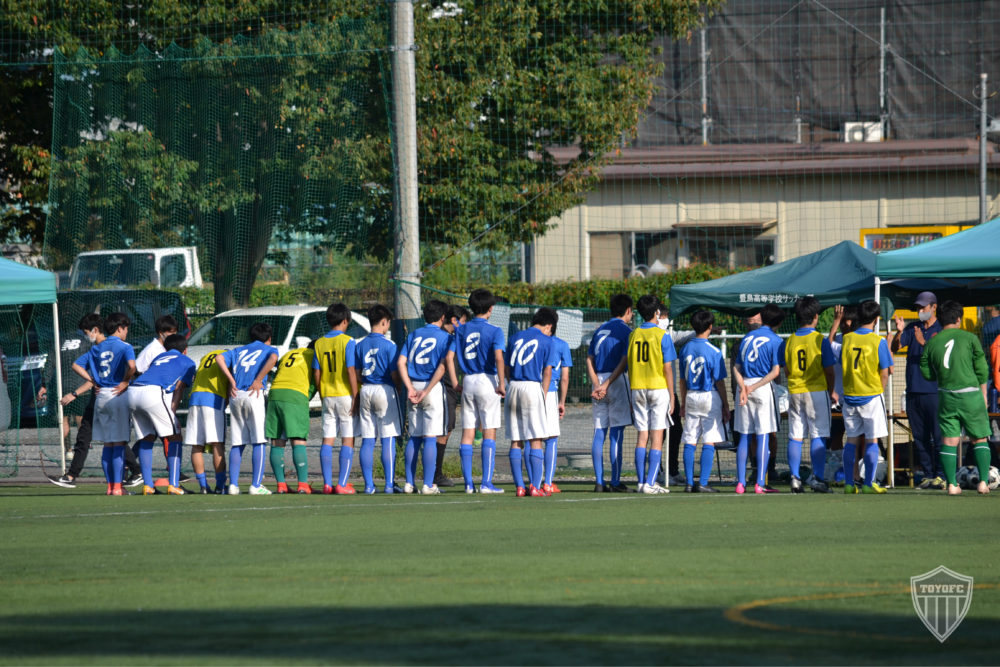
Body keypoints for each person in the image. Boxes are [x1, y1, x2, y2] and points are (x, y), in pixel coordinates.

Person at [919, 300, 992, 495]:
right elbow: (982, 368)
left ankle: (951, 485)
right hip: (971, 395)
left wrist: (937, 376)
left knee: (949, 441)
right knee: (979, 439)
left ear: (940, 319)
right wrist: (984, 393)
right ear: (958, 319)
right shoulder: (970, 338)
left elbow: (925, 371)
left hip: (946, 396)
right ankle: (984, 483)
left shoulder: (933, 341)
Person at [70, 312, 136, 495]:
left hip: (101, 397)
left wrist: (93, 380)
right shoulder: (125, 346)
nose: (127, 333)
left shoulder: (96, 348)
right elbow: (132, 366)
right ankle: (117, 487)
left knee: (108, 445)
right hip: (117, 395)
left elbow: (76, 365)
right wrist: (125, 381)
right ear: (120, 328)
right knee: (119, 444)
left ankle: (109, 487)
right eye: (126, 329)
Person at [779, 296, 837, 493]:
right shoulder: (820, 340)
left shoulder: (788, 341)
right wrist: (831, 392)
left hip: (795, 391)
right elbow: (829, 371)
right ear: (815, 317)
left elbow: (785, 369)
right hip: (817, 391)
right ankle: (818, 478)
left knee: (795, 436)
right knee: (818, 435)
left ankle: (795, 478)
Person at [397, 299, 455, 495]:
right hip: (431, 388)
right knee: (431, 437)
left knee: (414, 436)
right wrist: (427, 390)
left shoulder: (413, 334)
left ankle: (409, 483)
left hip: (413, 387)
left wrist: (410, 388)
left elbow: (401, 362)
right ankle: (428, 484)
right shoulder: (445, 337)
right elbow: (442, 366)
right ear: (442, 317)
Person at [127, 334, 196, 495]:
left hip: (133, 392)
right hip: (152, 393)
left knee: (147, 438)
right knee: (175, 436)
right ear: (185, 350)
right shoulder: (188, 362)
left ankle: (148, 486)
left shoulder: (159, 356)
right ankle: (173, 484)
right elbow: (179, 389)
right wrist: (172, 413)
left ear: (166, 348)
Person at [216, 322, 279, 495]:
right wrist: (259, 379)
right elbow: (273, 359)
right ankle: (256, 485)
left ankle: (233, 486)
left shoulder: (238, 350)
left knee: (237, 442)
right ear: (268, 338)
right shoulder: (270, 349)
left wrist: (231, 380)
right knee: (258, 441)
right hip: (254, 394)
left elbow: (219, 358)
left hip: (236, 396)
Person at [890, 291, 943, 490]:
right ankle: (929, 475)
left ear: (934, 307)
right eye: (919, 308)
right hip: (913, 391)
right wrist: (899, 331)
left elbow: (939, 356)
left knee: (938, 436)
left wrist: (923, 343)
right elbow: (895, 347)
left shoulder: (941, 329)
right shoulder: (913, 327)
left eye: (924, 307)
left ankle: (941, 474)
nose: (921, 311)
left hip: (934, 392)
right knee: (919, 437)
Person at [455, 289, 506, 494]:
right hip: (487, 380)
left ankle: (468, 484)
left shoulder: (461, 329)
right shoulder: (495, 330)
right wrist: (502, 383)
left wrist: (456, 380)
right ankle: (486, 483)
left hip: (468, 380)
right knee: (489, 431)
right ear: (490, 308)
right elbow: (499, 358)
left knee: (468, 432)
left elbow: (450, 357)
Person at [505, 307, 559, 497]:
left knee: (516, 440)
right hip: (532, 387)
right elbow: (547, 371)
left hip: (513, 386)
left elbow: (505, 367)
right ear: (549, 326)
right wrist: (543, 395)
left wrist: (509, 382)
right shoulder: (547, 340)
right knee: (535, 438)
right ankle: (535, 486)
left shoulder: (514, 337)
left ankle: (520, 486)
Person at [842, 300, 893, 494]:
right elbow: (885, 372)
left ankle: (849, 483)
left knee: (851, 441)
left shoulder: (847, 339)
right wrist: (878, 391)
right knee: (872, 440)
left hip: (850, 396)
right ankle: (868, 483)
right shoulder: (878, 341)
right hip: (871, 395)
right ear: (876, 319)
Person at [733, 303, 784, 494]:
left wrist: (744, 388)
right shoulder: (776, 340)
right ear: (778, 323)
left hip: (744, 386)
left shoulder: (747, 337)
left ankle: (740, 483)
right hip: (762, 388)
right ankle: (760, 483)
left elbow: (736, 367)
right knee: (763, 435)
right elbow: (775, 371)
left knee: (745, 436)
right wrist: (753, 387)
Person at [627, 295, 675, 495]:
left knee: (642, 435)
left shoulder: (634, 334)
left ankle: (640, 482)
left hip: (637, 386)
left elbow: (629, 363)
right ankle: (651, 482)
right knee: (657, 434)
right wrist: (672, 396)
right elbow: (668, 369)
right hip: (657, 387)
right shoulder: (663, 335)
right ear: (657, 313)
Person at [678, 309, 730, 493]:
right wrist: (726, 404)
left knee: (690, 439)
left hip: (691, 395)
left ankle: (689, 483)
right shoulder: (714, 351)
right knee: (709, 440)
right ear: (710, 327)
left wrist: (683, 402)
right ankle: (704, 482)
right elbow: (720, 382)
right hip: (709, 396)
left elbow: (682, 380)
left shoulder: (685, 349)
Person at [586, 293, 634, 492]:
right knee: (616, 433)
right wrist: (606, 384)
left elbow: (589, 358)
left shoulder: (599, 330)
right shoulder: (626, 330)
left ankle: (599, 481)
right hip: (616, 381)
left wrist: (597, 383)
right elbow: (625, 360)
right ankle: (614, 481)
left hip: (598, 381)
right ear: (628, 311)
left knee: (599, 432)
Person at [50, 314, 104, 488]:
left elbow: (131, 368)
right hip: (90, 393)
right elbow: (77, 365)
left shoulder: (106, 347)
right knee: (85, 432)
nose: (86, 334)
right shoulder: (92, 347)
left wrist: (75, 392)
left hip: (107, 397)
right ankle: (71, 475)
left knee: (111, 437)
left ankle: (135, 470)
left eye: (87, 331)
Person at [355, 304, 403, 494]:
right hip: (385, 389)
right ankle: (389, 485)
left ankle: (368, 485)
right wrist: (397, 389)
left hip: (366, 389)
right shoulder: (390, 345)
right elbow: (394, 373)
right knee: (388, 438)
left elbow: (357, 373)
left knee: (367, 439)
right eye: (388, 323)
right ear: (384, 322)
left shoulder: (360, 344)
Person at [313, 303, 360, 495]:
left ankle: (326, 484)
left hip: (328, 395)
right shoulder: (348, 341)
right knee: (348, 439)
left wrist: (321, 392)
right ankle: (341, 484)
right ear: (345, 320)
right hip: (344, 395)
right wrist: (355, 395)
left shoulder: (319, 343)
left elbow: (317, 372)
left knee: (328, 439)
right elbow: (350, 370)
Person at [266, 342, 316, 494]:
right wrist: (306, 397)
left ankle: (281, 485)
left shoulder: (289, 354)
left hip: (274, 394)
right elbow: (316, 380)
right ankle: (303, 485)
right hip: (295, 394)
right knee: (298, 440)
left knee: (277, 441)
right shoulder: (314, 356)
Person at [184, 346, 230, 494]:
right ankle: (220, 486)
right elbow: (230, 381)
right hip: (213, 399)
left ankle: (203, 486)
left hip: (195, 398)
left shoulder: (206, 356)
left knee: (197, 445)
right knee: (217, 444)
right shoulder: (228, 356)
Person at [435, 304, 470, 489]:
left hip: (443, 389)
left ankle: (434, 473)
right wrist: (456, 383)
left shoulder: (449, 337)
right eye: (463, 322)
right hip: (445, 389)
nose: (464, 326)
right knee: (444, 430)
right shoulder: (448, 338)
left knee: (443, 430)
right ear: (454, 321)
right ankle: (436, 474)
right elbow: (448, 361)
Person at [542, 322, 572, 494]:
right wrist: (562, 401)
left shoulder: (533, 341)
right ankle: (547, 482)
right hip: (551, 391)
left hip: (531, 388)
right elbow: (565, 377)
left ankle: (533, 481)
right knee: (552, 438)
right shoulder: (561, 345)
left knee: (533, 438)